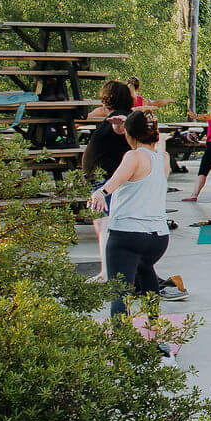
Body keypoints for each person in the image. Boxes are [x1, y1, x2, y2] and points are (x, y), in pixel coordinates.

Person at [88, 109, 182, 317]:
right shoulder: (163, 158)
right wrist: (130, 124)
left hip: (128, 234)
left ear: (128, 135)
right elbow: (154, 147)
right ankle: (154, 324)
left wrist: (101, 192)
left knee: (119, 293)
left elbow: (115, 180)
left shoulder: (133, 156)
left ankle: (121, 333)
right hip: (158, 238)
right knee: (145, 270)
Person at [82, 80, 136, 277]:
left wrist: (121, 127)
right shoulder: (121, 116)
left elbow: (122, 128)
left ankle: (107, 272)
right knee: (103, 225)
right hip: (105, 179)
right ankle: (109, 271)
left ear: (109, 99)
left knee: (105, 225)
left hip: (106, 181)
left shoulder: (120, 118)